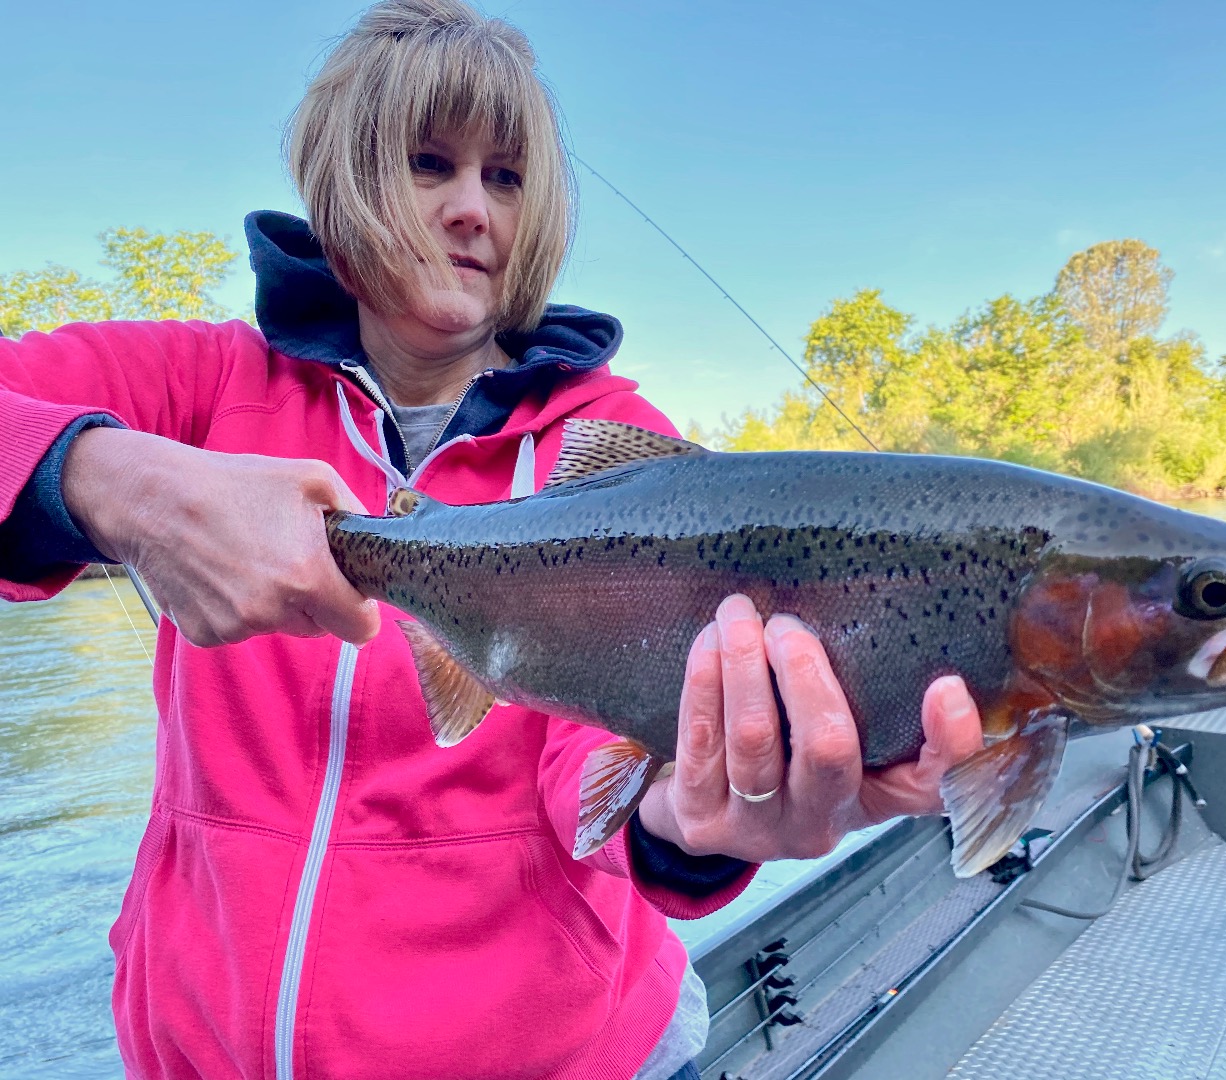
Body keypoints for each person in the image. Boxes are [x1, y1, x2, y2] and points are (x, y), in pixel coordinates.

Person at [0, 2, 983, 1076]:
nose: (473, 209)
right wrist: (105, 478)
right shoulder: (194, 386)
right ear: (345, 182)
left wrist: (697, 819)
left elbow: (599, 777)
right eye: (431, 165)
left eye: (507, 178)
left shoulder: (624, 452)